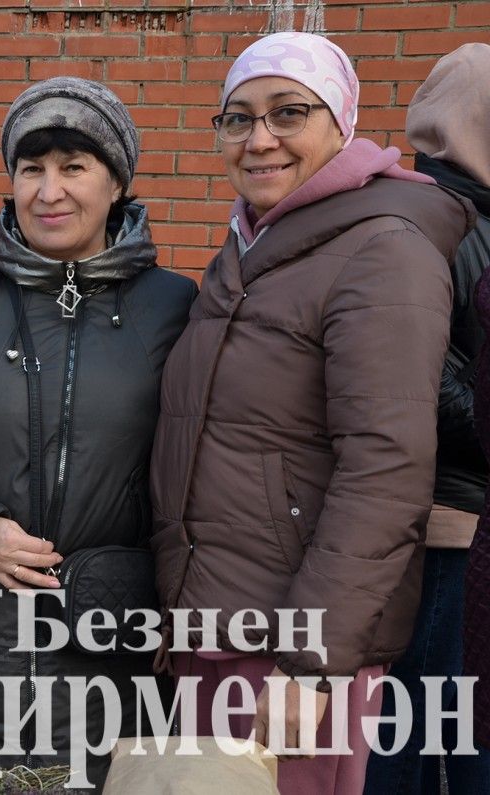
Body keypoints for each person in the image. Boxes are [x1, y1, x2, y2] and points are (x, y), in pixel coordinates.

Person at [148, 32, 474, 794]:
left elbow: (385, 466)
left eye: (288, 112)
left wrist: (311, 661)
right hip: (220, 626)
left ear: (342, 123)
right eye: (238, 118)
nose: (260, 138)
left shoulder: (382, 250)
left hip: (295, 651)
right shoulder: (251, 245)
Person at [0, 77, 196, 787]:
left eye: (73, 167)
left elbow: (200, 467)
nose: (48, 190)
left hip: (113, 636)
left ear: (117, 182)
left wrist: (180, 605)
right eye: (31, 169)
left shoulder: (176, 306)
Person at [364, 42, 490, 794]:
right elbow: (420, 379)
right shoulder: (442, 223)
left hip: (450, 518)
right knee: (430, 720)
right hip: (445, 522)